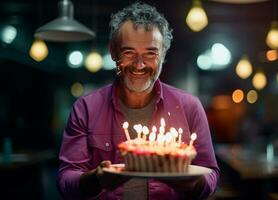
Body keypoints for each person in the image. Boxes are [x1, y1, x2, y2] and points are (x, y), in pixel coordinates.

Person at [57, 2, 220, 200]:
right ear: (113, 52)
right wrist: (96, 180)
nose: (139, 64)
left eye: (151, 53)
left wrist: (191, 183)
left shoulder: (190, 107)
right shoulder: (85, 109)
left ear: (163, 55)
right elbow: (66, 181)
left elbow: (211, 177)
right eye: (128, 52)